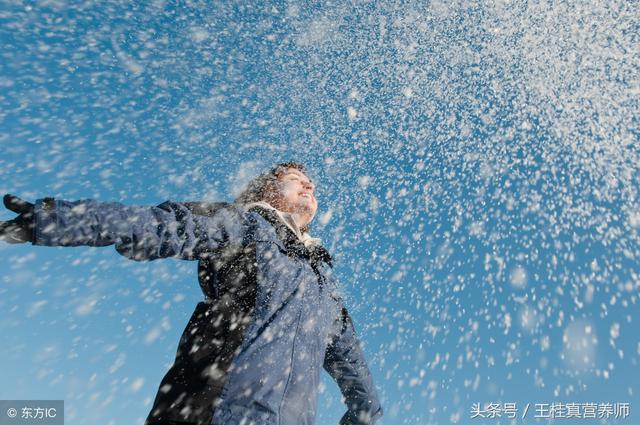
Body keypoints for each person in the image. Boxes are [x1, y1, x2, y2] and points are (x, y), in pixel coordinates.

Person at [0, 162, 382, 425]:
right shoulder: (245, 225)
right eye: (296, 178)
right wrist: (58, 220)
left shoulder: (323, 287)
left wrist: (363, 414)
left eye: (310, 181)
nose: (309, 185)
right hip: (205, 409)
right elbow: (161, 226)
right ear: (267, 188)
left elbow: (356, 373)